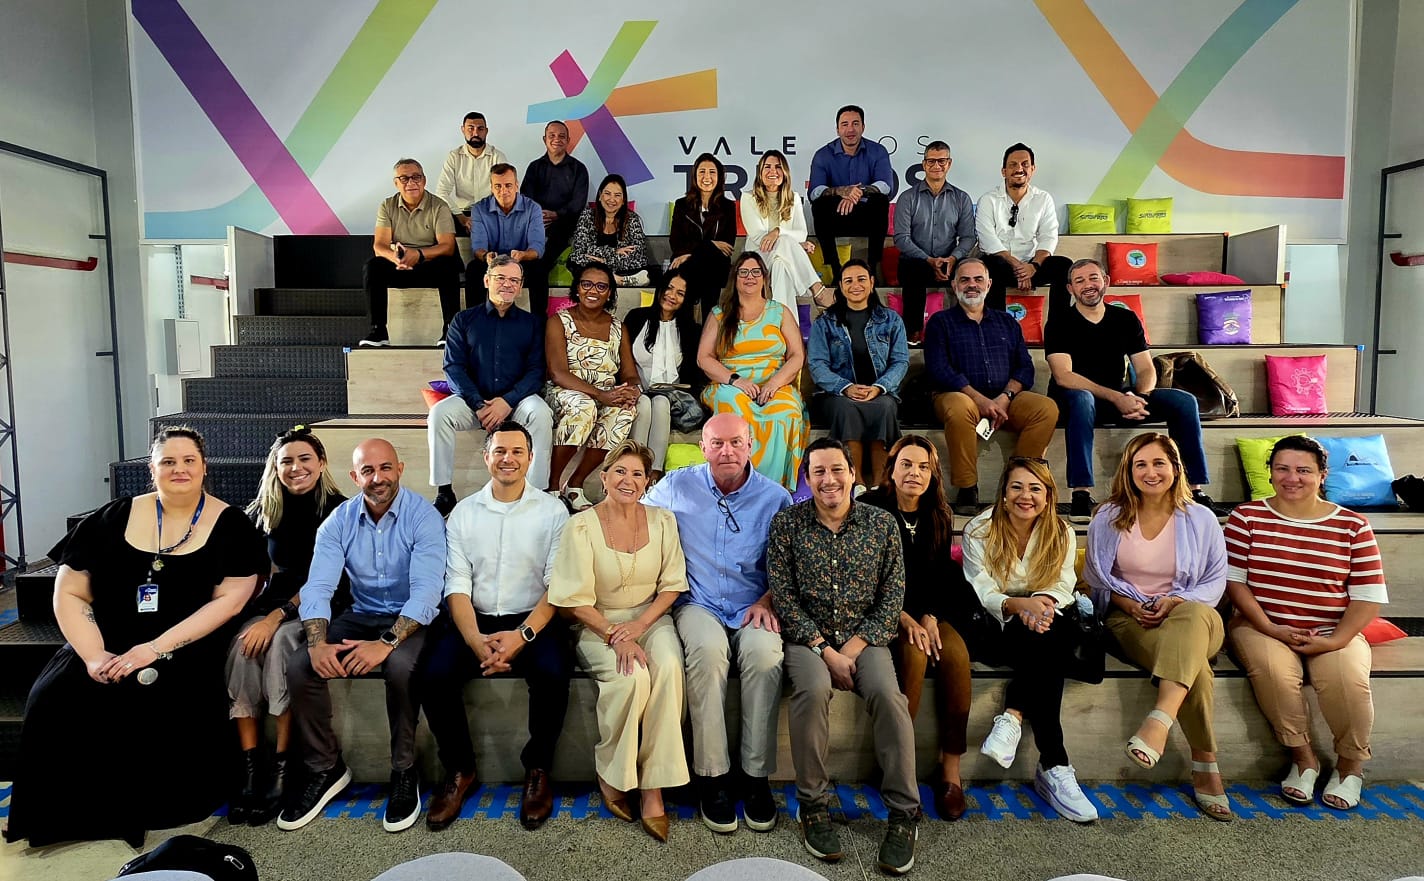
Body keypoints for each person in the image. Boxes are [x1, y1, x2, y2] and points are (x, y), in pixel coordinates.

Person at [4, 427, 266, 847]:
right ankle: (59, 814)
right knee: (53, 693)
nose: (179, 469)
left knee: (147, 694)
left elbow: (229, 603)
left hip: (185, 644)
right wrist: (93, 655)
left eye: (188, 461)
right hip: (107, 638)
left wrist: (154, 649)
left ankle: (131, 811)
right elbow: (70, 591)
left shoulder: (232, 525)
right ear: (152, 469)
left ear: (204, 467)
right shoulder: (111, 517)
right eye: (168, 462)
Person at [769, 439, 920, 875]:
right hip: (808, 639)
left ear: (853, 474)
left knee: (889, 697)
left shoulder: (881, 524)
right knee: (812, 691)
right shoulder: (787, 524)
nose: (829, 479)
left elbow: (892, 596)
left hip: (865, 639)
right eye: (818, 471)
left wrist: (850, 650)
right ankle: (813, 805)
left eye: (837, 469)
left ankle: (903, 812)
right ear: (807, 478)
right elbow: (784, 596)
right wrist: (824, 650)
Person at [280, 439, 445, 834]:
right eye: (368, 471)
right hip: (361, 614)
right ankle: (326, 768)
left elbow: (427, 592)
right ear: (355, 477)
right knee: (301, 665)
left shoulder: (424, 517)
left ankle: (404, 769)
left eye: (385, 468)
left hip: (411, 618)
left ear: (400, 469)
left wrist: (385, 644)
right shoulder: (337, 522)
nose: (378, 478)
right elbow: (318, 586)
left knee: (401, 667)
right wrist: (317, 643)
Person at [643, 413, 793, 834]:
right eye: (718, 443)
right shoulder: (676, 485)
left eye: (736, 442)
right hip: (699, 603)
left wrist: (768, 599)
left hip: (754, 604)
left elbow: (789, 562)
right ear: (704, 448)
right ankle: (712, 777)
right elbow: (636, 516)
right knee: (708, 655)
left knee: (765, 657)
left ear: (751, 446)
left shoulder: (776, 498)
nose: (727, 451)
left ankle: (756, 777)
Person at [419, 421, 573, 831]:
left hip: (533, 618)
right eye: (500, 451)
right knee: (433, 675)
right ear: (487, 457)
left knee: (554, 673)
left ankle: (538, 769)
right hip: (475, 617)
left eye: (517, 451)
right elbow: (457, 584)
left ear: (531, 458)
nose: (508, 459)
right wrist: (474, 640)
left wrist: (522, 636)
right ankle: (460, 769)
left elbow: (557, 585)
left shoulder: (553, 512)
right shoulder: (464, 514)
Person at [1225, 435, 1387, 811]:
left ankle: (1350, 767)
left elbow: (1368, 598)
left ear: (1322, 475)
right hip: (1262, 625)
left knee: (1347, 679)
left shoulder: (1352, 525)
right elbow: (1235, 584)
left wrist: (1335, 641)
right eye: (1282, 469)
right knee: (1273, 672)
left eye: (1303, 470)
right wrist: (1270, 628)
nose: (1291, 478)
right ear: (1270, 473)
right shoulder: (1246, 518)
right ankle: (1303, 758)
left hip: (1334, 629)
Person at [1083, 433, 1233, 820]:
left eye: (1159, 463)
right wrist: (1131, 605)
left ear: (1176, 468)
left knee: (1193, 617)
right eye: (1141, 465)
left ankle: (1159, 720)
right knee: (1195, 668)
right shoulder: (1107, 517)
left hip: (1196, 617)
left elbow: (1215, 581)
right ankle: (1206, 766)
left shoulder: (1201, 518)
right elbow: (1097, 580)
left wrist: (1176, 601)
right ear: (1128, 471)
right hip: (1129, 619)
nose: (1150, 472)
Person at [548, 441, 691, 842]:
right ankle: (613, 773)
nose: (629, 480)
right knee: (632, 677)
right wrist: (614, 634)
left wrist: (641, 625)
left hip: (650, 618)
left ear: (647, 482)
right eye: (621, 471)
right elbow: (573, 600)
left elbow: (672, 585)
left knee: (668, 668)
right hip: (597, 621)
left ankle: (654, 786)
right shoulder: (580, 525)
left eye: (638, 474)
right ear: (604, 476)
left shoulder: (663, 521)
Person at [960, 458, 1098, 823]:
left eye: (1036, 488)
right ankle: (1054, 766)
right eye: (1017, 487)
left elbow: (1063, 583)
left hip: (1044, 623)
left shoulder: (1062, 532)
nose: (1026, 496)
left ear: (1048, 495)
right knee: (1046, 640)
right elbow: (982, 589)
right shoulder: (978, 530)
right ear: (1004, 493)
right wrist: (1020, 606)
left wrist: (1042, 604)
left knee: (1049, 632)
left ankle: (1014, 717)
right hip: (993, 627)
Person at [227, 427, 347, 827]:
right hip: (273, 603)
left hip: (321, 604)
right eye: (287, 462)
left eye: (304, 459)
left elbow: (323, 580)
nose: (296, 468)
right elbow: (252, 571)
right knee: (243, 647)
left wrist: (276, 616)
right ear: (275, 468)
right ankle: (250, 768)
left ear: (321, 463)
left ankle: (283, 762)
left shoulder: (339, 510)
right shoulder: (263, 511)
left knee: (279, 643)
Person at [860, 437, 976, 821]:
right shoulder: (870, 509)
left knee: (956, 655)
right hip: (882, 613)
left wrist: (930, 614)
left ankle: (950, 771)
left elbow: (941, 574)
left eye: (924, 466)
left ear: (933, 473)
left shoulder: (938, 512)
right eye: (907, 464)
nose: (915, 473)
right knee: (915, 653)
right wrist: (902, 617)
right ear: (891, 469)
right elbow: (866, 578)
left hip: (927, 612)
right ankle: (898, 768)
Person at [1045, 258, 1213, 519]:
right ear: (1070, 289)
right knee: (1082, 399)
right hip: (1072, 401)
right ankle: (1080, 494)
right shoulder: (1059, 322)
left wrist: (1140, 397)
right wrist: (1118, 397)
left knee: (1183, 401)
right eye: (1079, 281)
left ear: (1106, 282)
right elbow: (1064, 376)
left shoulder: (1125, 318)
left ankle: (1193, 490)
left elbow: (1145, 368)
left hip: (1119, 398)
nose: (1088, 285)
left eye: (1093, 278)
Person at [926, 257, 1058, 514]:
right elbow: (939, 369)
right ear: (954, 285)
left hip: (1004, 399)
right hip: (958, 396)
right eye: (964, 280)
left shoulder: (1007, 322)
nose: (972, 285)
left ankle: (1018, 482)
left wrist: (1005, 397)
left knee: (1046, 408)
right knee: (959, 406)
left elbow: (1025, 368)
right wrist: (980, 399)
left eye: (978, 279)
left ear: (989, 284)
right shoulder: (940, 322)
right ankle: (967, 487)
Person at [429, 256, 554, 516]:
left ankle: (537, 491)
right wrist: (478, 403)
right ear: (487, 281)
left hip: (516, 402)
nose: (508, 284)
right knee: (439, 413)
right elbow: (453, 367)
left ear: (520, 287)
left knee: (541, 412)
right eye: (501, 278)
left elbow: (536, 371)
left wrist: (507, 402)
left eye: (514, 280)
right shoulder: (463, 320)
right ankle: (444, 491)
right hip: (473, 402)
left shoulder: (532, 324)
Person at [697, 252, 809, 490]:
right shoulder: (720, 314)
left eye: (756, 272)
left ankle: (771, 488)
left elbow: (797, 355)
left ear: (764, 278)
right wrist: (736, 381)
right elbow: (704, 358)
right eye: (744, 272)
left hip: (775, 383)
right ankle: (739, 483)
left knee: (786, 411)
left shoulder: (779, 312)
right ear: (735, 278)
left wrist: (774, 383)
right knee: (738, 409)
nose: (750, 277)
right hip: (730, 384)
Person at [543, 264, 648, 509]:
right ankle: (553, 485)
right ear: (577, 288)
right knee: (585, 406)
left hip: (606, 394)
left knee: (625, 412)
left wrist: (631, 390)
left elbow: (630, 374)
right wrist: (601, 395)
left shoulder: (618, 327)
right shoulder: (559, 322)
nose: (593, 291)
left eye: (601, 286)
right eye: (586, 284)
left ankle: (575, 485)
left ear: (610, 293)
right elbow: (558, 373)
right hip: (565, 391)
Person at [807, 259, 908, 485]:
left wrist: (879, 387)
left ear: (872, 283)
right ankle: (857, 484)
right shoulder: (825, 322)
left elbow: (900, 361)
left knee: (884, 407)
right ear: (841, 287)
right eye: (848, 281)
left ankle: (881, 484)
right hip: (836, 395)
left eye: (861, 279)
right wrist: (846, 387)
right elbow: (817, 365)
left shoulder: (891, 320)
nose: (855, 285)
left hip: (881, 392)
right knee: (848, 408)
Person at [359, 158, 461, 347]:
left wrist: (418, 255)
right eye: (404, 178)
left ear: (424, 180)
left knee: (448, 266)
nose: (411, 182)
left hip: (428, 264)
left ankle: (450, 330)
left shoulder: (439, 206)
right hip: (399, 266)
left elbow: (447, 246)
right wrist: (397, 259)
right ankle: (378, 330)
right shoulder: (387, 206)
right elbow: (379, 246)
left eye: (416, 177)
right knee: (373, 267)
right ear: (396, 183)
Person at [623, 269, 705, 480]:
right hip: (638, 390)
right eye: (669, 288)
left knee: (661, 402)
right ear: (660, 289)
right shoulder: (636, 317)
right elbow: (623, 358)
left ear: (686, 299)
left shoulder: (691, 330)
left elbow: (693, 374)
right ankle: (636, 468)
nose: (672, 295)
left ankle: (654, 474)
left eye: (680, 293)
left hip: (674, 399)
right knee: (643, 404)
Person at [892, 140, 976, 343]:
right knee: (913, 270)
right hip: (916, 261)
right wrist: (929, 260)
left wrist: (952, 259)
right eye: (931, 161)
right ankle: (913, 332)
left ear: (949, 163)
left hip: (949, 261)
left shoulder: (961, 198)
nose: (936, 165)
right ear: (924, 164)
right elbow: (901, 238)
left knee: (971, 272)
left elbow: (968, 237)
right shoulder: (907, 198)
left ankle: (970, 328)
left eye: (941, 161)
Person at [974, 143, 1071, 313]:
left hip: (1033, 266)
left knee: (1064, 265)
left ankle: (1057, 326)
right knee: (989, 265)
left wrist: (1033, 266)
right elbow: (987, 240)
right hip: (1002, 265)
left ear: (1033, 169)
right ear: (1004, 171)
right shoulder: (988, 200)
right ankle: (998, 326)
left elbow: (1048, 236)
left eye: (1025, 164)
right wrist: (1018, 266)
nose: (1019, 169)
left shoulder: (1043, 199)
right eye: (1013, 165)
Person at [739, 150, 831, 320]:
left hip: (781, 256)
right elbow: (759, 238)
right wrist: (793, 243)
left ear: (785, 172)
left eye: (778, 167)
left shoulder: (793, 198)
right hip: (757, 258)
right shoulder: (748, 198)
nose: (772, 171)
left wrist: (778, 232)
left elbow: (801, 233)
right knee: (785, 242)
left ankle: (785, 327)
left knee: (781, 266)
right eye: (767, 167)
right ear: (760, 172)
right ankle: (817, 288)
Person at [809, 105, 893, 278]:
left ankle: (872, 269)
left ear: (863, 127)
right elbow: (815, 192)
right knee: (820, 205)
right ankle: (835, 269)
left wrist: (857, 191)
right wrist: (842, 191)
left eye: (855, 123)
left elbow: (886, 186)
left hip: (866, 217)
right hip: (837, 216)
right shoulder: (823, 155)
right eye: (845, 124)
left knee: (880, 201)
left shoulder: (878, 151)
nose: (850, 129)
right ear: (837, 129)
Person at [523, 121, 590, 319]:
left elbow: (578, 203)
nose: (556, 139)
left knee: (539, 265)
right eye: (552, 135)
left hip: (564, 225)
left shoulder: (578, 169)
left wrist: (556, 214)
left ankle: (539, 318)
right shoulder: (534, 167)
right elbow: (525, 198)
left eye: (561, 136)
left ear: (568, 140)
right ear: (544, 139)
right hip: (536, 223)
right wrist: (539, 215)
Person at [466, 163, 546, 312]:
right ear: (491, 187)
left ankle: (539, 322)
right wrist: (486, 256)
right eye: (498, 186)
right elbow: (478, 247)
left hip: (522, 261)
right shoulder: (479, 209)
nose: (503, 191)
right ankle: (474, 321)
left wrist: (523, 255)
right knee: (473, 269)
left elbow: (537, 247)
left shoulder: (533, 208)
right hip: (493, 262)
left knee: (539, 269)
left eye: (508, 185)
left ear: (517, 186)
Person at [670, 152, 738, 321]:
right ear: (694, 176)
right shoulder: (681, 205)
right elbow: (676, 242)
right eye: (702, 172)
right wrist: (711, 244)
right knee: (698, 266)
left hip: (715, 266)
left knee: (708, 262)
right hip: (688, 265)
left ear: (719, 177)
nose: (707, 177)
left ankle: (696, 326)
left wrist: (692, 253)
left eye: (712, 172)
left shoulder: (728, 206)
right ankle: (706, 326)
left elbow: (727, 245)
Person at [568, 173, 661, 287]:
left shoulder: (632, 219)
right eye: (607, 193)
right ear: (600, 196)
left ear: (623, 200)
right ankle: (616, 280)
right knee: (574, 261)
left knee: (651, 271)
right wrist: (614, 252)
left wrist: (603, 261)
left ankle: (610, 278)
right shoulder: (587, 216)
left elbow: (639, 256)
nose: (611, 199)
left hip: (621, 270)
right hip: (596, 268)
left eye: (617, 195)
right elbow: (580, 250)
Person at [433, 112, 509, 233]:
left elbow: (506, 191)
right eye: (471, 128)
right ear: (463, 130)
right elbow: (441, 192)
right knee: (442, 225)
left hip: (491, 212)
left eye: (480, 129)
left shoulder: (497, 157)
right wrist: (462, 218)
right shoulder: (454, 157)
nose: (476, 133)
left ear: (486, 131)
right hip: (461, 213)